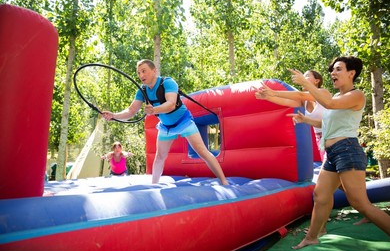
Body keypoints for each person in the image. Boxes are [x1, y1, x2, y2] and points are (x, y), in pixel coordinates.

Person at [287, 56, 390, 249]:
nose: (333, 73)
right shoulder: (334, 98)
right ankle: (311, 237)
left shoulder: (357, 95)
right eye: (332, 70)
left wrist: (305, 83)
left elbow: (329, 104)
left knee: (360, 203)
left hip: (347, 150)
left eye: (338, 69)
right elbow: (326, 123)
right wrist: (305, 120)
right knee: (320, 195)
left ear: (351, 73)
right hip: (333, 153)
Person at [101, 59, 229, 185]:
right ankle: (154, 186)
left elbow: (171, 104)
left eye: (144, 71)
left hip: (184, 121)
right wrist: (114, 115)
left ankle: (224, 182)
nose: (141, 75)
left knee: (202, 152)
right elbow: (131, 111)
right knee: (159, 157)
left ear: (154, 70)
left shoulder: (167, 82)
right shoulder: (142, 91)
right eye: (138, 73)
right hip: (166, 127)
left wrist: (154, 110)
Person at [254, 70, 327, 160]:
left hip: (333, 136)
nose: (303, 78)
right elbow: (286, 101)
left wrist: (274, 92)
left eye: (307, 76)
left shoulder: (323, 93)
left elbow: (300, 95)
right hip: (320, 139)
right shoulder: (304, 101)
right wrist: (268, 97)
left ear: (317, 81)